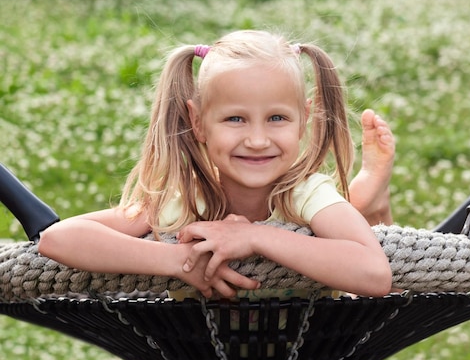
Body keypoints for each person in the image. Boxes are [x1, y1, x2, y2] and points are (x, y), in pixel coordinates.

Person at [38, 30, 395, 300]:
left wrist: (254, 236)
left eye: (276, 118)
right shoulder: (185, 199)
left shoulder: (305, 192)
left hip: (311, 343)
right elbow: (58, 239)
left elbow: (374, 274)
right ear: (198, 122)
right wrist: (180, 261)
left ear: (304, 118)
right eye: (235, 119)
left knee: (344, 218)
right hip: (204, 353)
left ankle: (369, 200)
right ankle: (365, 197)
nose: (257, 139)